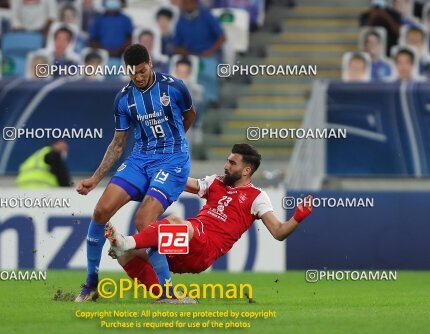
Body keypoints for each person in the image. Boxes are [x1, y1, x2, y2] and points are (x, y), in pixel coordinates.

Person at [104, 144, 313, 302]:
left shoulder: (257, 197)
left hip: (205, 249)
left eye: (232, 163)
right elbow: (185, 182)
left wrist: (297, 218)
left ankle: (126, 241)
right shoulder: (217, 182)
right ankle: (166, 296)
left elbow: (278, 231)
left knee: (174, 222)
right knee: (128, 254)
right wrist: (157, 172)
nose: (226, 165)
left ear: (247, 170)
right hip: (186, 246)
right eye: (227, 160)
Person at [75, 44, 197, 302]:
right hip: (140, 159)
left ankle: (168, 293)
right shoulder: (123, 99)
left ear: (150, 63)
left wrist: (174, 144)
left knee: (144, 222)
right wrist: (95, 179)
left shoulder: (174, 87)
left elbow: (190, 116)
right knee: (100, 212)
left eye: (142, 71)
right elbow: (118, 143)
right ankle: (91, 284)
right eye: (133, 73)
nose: (138, 77)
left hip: (172, 160)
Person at [173, 0, 225, 104]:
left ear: (195, 3)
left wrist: (210, 51)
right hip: (191, 54)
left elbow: (222, 38)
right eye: (184, 3)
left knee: (208, 65)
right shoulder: (180, 20)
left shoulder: (207, 16)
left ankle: (211, 99)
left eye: (189, 3)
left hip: (209, 53)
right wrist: (184, 52)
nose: (187, 5)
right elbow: (176, 44)